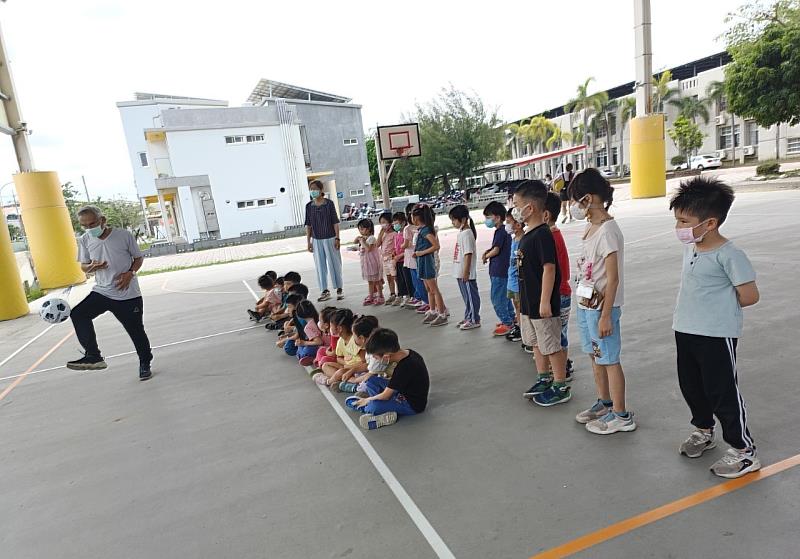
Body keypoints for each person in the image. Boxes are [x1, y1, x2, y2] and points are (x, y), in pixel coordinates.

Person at [669, 177, 761, 478]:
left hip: (715, 334)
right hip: (685, 329)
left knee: (722, 391)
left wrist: (717, 307)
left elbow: (749, 295)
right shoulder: (693, 247)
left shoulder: (729, 254)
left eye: (684, 221)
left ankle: (743, 450)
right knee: (692, 386)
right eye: (677, 220)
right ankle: (703, 429)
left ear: (710, 223)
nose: (679, 227)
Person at [569, 168, 635, 433]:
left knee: (609, 358)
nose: (573, 205)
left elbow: (612, 278)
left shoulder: (608, 231)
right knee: (595, 355)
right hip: (586, 303)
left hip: (601, 307)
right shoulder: (591, 226)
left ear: (590, 197)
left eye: (576, 198)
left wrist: (606, 315)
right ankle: (605, 403)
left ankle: (621, 415)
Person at [67, 205, 153, 381]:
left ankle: (145, 363)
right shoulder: (84, 240)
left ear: (103, 220)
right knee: (78, 314)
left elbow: (138, 258)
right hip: (102, 292)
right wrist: (91, 267)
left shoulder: (123, 236)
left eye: (93, 224)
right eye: (85, 226)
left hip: (127, 294)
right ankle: (93, 356)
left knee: (136, 331)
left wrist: (130, 273)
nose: (90, 229)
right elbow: (84, 266)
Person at [511, 181, 570, 407]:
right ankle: (543, 378)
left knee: (551, 344)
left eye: (517, 205)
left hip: (542, 304)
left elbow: (549, 268)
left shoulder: (543, 234)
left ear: (530, 207)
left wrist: (545, 301)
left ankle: (560, 385)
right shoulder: (527, 235)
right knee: (536, 342)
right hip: (528, 303)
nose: (515, 209)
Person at [345, 328, 430, 430]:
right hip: (401, 391)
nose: (375, 359)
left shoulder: (404, 368)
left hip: (412, 405)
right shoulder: (409, 353)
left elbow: (386, 395)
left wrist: (367, 400)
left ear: (386, 357)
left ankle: (378, 411)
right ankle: (382, 406)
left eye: (376, 357)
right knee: (370, 380)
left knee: (373, 407)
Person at [544, 192, 575, 378]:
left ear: (545, 215)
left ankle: (562, 368)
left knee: (557, 336)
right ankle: (562, 365)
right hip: (560, 292)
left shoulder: (550, 237)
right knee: (559, 334)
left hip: (558, 294)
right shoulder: (552, 234)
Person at [304, 179, 344, 302]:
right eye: (311, 189)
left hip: (330, 237)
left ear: (321, 190)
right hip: (317, 240)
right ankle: (324, 290)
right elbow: (308, 225)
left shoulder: (329, 204)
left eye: (315, 189)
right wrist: (308, 242)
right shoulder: (309, 206)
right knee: (320, 266)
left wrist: (337, 238)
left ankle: (339, 288)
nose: (313, 192)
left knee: (335, 264)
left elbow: (335, 222)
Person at [482, 201, 515, 337]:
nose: (487, 221)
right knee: (505, 297)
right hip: (502, 269)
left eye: (488, 217)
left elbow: (496, 250)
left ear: (497, 217)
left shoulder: (501, 231)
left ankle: (507, 322)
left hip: (499, 270)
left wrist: (486, 256)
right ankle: (511, 318)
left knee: (497, 298)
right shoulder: (503, 231)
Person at [412, 204, 447, 327]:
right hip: (421, 261)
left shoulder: (426, 230)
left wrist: (422, 252)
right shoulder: (422, 230)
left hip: (426, 261)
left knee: (434, 289)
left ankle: (442, 313)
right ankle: (432, 310)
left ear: (416, 218)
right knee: (428, 289)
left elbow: (436, 246)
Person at [449, 204, 481, 331]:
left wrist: (466, 271)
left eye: (454, 220)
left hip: (465, 272)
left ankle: (474, 319)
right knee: (466, 297)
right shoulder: (462, 233)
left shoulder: (467, 233)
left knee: (471, 296)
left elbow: (468, 254)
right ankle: (468, 316)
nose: (453, 223)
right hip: (459, 271)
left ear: (462, 219)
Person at [504, 209, 524, 346]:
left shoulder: (523, 239)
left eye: (509, 222)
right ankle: (521, 327)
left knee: (521, 307)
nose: (507, 225)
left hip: (518, 281)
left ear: (518, 224)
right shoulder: (514, 239)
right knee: (516, 305)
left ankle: (525, 331)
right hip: (512, 280)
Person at [404, 202, 428, 310]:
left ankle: (427, 302)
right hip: (416, 258)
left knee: (423, 283)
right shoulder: (418, 229)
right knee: (419, 282)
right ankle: (423, 300)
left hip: (421, 260)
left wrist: (420, 253)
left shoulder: (422, 230)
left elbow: (436, 246)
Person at [355, 218, 384, 305]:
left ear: (368, 229)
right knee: (370, 281)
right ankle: (371, 296)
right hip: (366, 263)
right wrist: (358, 240)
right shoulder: (363, 238)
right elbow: (355, 242)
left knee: (377, 280)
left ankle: (380, 296)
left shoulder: (371, 238)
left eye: (362, 229)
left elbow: (368, 249)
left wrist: (363, 241)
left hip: (373, 262)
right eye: (359, 229)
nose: (361, 231)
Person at [391, 212, 413, 307]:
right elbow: (396, 247)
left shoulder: (406, 232)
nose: (394, 225)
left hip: (404, 260)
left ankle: (408, 296)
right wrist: (394, 253)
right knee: (399, 279)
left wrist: (399, 256)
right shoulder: (397, 234)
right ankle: (402, 295)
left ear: (403, 223)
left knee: (406, 280)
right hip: (398, 261)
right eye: (394, 223)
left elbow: (407, 248)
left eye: (396, 223)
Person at [293, 300, 324, 366]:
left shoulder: (308, 327)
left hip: (319, 347)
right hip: (325, 344)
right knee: (302, 347)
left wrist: (304, 343)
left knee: (301, 350)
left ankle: (312, 358)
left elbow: (319, 342)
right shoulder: (318, 318)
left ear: (299, 315)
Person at [377, 212, 398, 304]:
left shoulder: (394, 233)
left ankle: (400, 294)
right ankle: (392, 293)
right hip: (384, 259)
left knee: (395, 276)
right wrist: (380, 234)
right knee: (389, 277)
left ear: (390, 223)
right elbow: (377, 244)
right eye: (381, 222)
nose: (383, 224)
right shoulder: (383, 234)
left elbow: (397, 246)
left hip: (392, 258)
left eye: (384, 222)